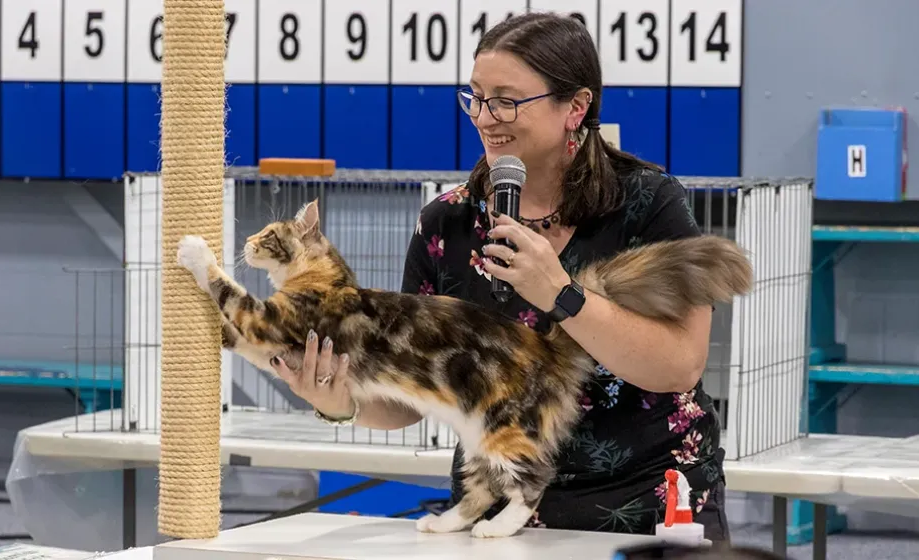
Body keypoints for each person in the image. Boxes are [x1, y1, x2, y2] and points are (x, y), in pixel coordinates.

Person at [270, 12, 729, 543]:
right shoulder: (447, 223)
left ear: (575, 108)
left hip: (646, 509)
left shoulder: (650, 205)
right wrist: (338, 401)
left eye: (507, 100)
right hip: (497, 512)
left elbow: (679, 365)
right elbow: (407, 393)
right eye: (476, 98)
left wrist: (560, 294)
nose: (486, 117)